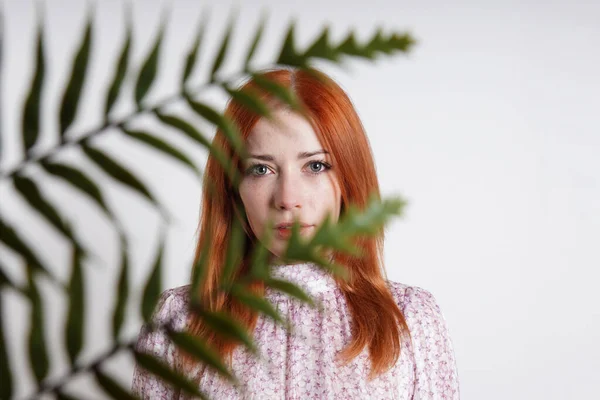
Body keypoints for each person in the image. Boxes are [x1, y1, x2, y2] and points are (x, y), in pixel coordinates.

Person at [131, 67, 460, 399]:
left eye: (315, 166)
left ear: (349, 178)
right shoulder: (180, 321)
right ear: (233, 189)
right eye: (261, 169)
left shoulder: (410, 321)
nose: (288, 198)